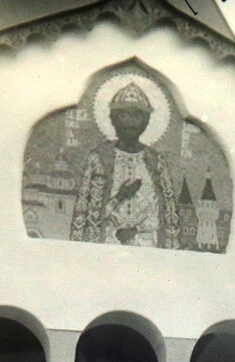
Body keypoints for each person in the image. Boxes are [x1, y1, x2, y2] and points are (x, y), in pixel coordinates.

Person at [69, 81, 179, 248]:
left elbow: (165, 213)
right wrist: (120, 197)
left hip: (147, 247)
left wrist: (136, 229)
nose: (131, 122)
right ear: (113, 119)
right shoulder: (99, 158)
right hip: (107, 245)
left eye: (137, 116)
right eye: (124, 115)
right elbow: (88, 213)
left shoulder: (155, 162)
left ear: (146, 121)